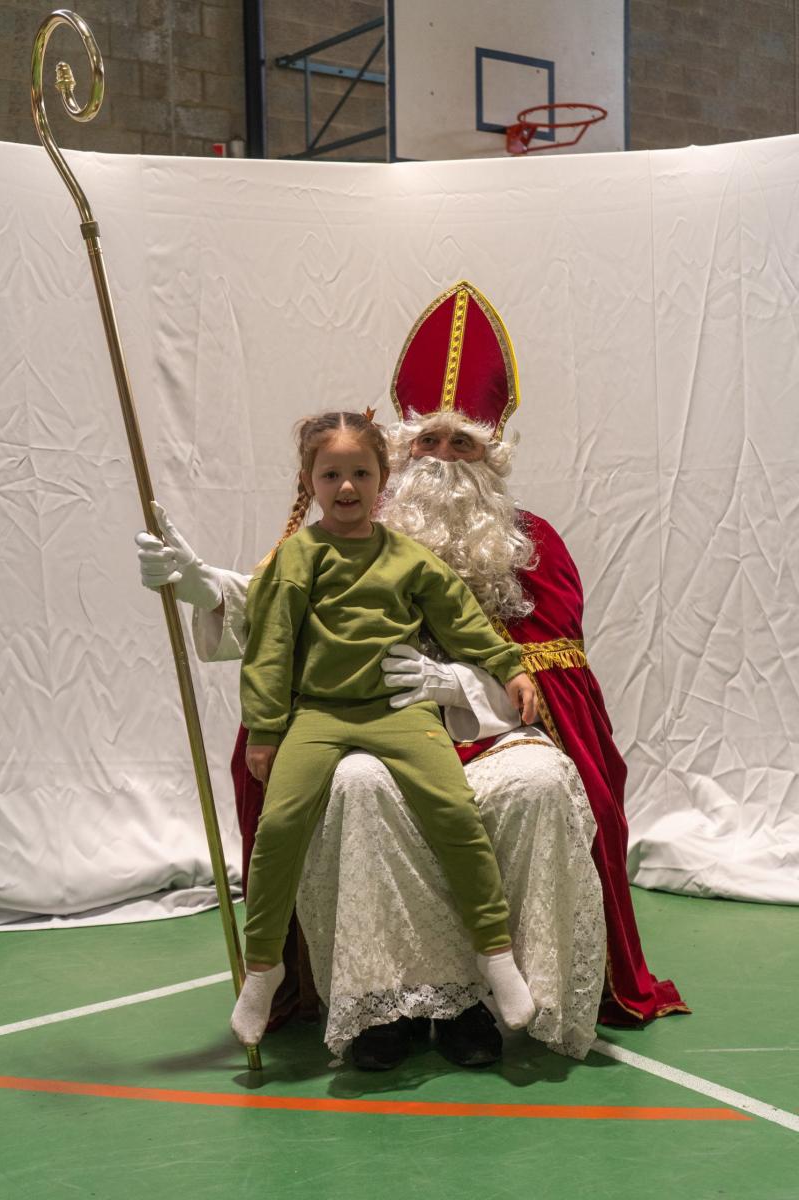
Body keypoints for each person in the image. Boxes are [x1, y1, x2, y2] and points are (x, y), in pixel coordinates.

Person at [137, 281, 684, 1068]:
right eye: (429, 441)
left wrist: (456, 687)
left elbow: (554, 687)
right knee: (357, 788)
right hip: (364, 728)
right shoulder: (356, 525)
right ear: (400, 450)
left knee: (537, 786)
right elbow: (279, 607)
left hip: (489, 735)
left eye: (463, 444)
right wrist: (202, 586)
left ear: (491, 457)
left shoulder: (530, 546)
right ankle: (382, 1002)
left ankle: (486, 997)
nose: (443, 459)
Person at [230, 409, 539, 1046]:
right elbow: (270, 645)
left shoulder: (407, 558)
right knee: (279, 827)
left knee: (455, 813)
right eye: (331, 475)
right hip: (319, 714)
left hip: (400, 711)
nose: (347, 487)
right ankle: (261, 969)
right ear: (309, 481)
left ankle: (495, 953)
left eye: (361, 473)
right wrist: (264, 728)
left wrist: (509, 666)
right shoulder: (297, 557)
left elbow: (462, 620)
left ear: (382, 477)